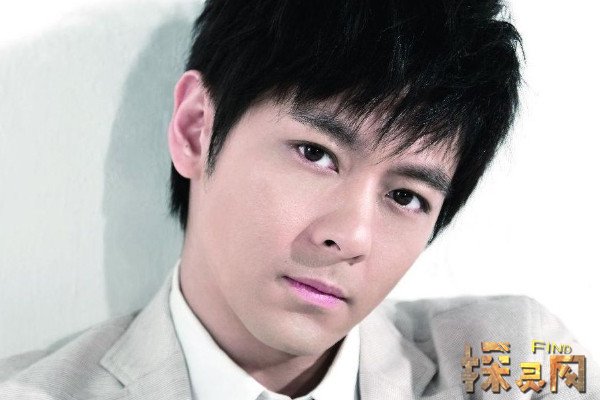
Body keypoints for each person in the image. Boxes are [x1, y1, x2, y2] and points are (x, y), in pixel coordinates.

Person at [0, 0, 597, 399]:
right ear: (196, 129)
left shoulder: (511, 361)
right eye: (316, 154)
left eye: (405, 195)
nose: (351, 237)